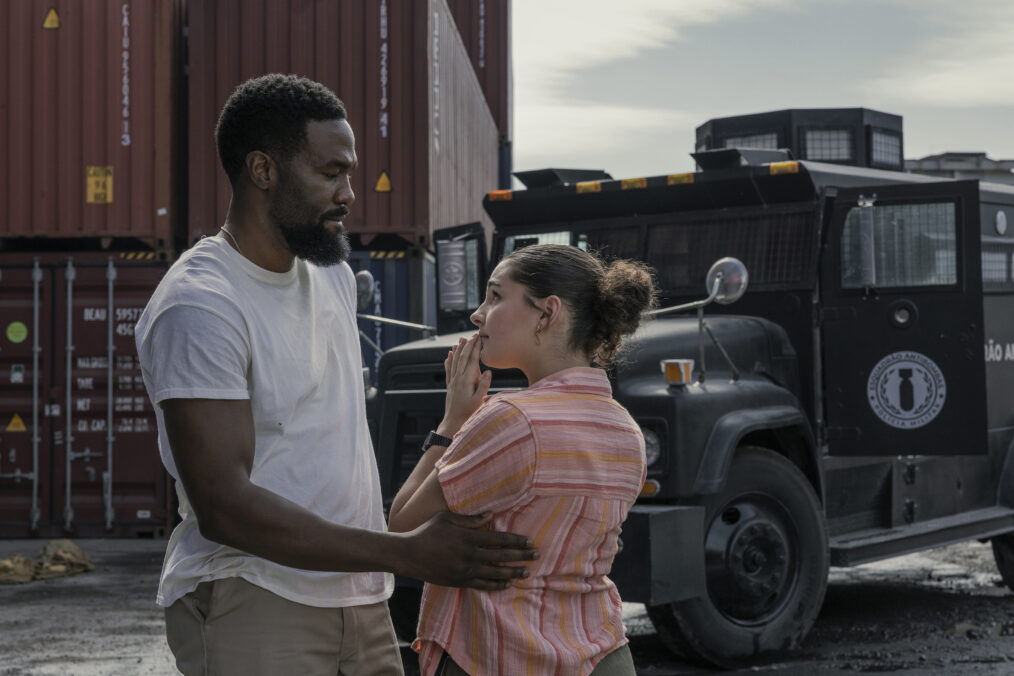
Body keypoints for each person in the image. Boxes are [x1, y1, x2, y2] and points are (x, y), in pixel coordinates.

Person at [135, 74, 536, 676]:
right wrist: (406, 553)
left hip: (360, 596)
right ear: (263, 171)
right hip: (257, 596)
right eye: (331, 173)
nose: (350, 193)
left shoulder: (331, 274)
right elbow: (224, 506)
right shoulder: (202, 305)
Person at [388, 244, 658, 675]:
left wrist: (452, 422)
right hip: (602, 655)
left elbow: (402, 526)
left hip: (498, 655)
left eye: (496, 296)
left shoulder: (511, 419)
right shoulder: (624, 427)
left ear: (547, 314)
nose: (478, 314)